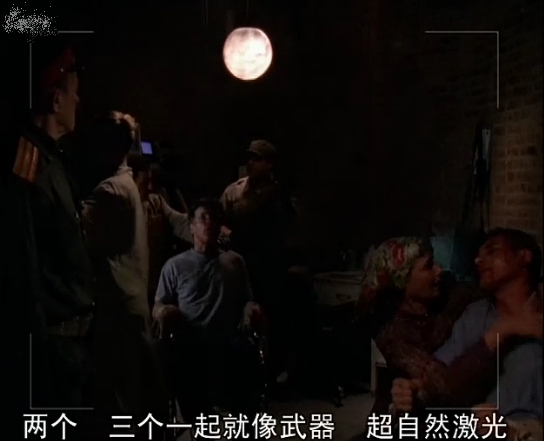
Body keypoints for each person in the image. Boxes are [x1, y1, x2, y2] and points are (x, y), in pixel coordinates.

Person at [1, 40, 94, 437]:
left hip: (69, 347)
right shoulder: (27, 166)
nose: (79, 101)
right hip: (49, 354)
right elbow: (21, 265)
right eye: (74, 93)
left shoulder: (53, 161)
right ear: (56, 100)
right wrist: (38, 356)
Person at [391, 228, 542, 437]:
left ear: (524, 256)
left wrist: (512, 432)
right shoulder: (477, 314)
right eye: (478, 255)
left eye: (492, 251)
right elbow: (443, 374)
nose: (478, 260)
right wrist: (414, 389)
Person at [80, 112, 167, 437]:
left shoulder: (111, 192)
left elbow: (74, 234)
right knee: (133, 394)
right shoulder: (125, 184)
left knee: (121, 400)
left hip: (117, 309)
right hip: (129, 305)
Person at [153, 199, 265, 425]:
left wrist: (252, 310)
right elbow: (158, 304)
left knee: (245, 356)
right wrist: (164, 312)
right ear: (192, 227)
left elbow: (247, 299)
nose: (210, 223)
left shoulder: (234, 261)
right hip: (194, 341)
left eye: (214, 218)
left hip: (229, 339)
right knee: (182, 361)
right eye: (203, 218)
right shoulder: (175, 266)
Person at [355, 237, 475, 414]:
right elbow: (442, 382)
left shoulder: (447, 296)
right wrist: (495, 336)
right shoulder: (393, 333)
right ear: (403, 281)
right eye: (428, 266)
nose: (439, 270)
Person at [219, 140, 296, 378]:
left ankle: (270, 372)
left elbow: (287, 232)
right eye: (249, 158)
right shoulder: (234, 192)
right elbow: (217, 220)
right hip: (239, 267)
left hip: (268, 268)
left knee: (271, 320)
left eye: (257, 159)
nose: (250, 163)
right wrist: (227, 234)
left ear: (269, 164)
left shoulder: (279, 196)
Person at [127, 154, 192, 309]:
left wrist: (202, 224)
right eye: (145, 182)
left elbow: (180, 223)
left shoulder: (155, 203)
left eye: (151, 181)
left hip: (155, 284)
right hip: (130, 288)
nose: (150, 187)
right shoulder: (120, 209)